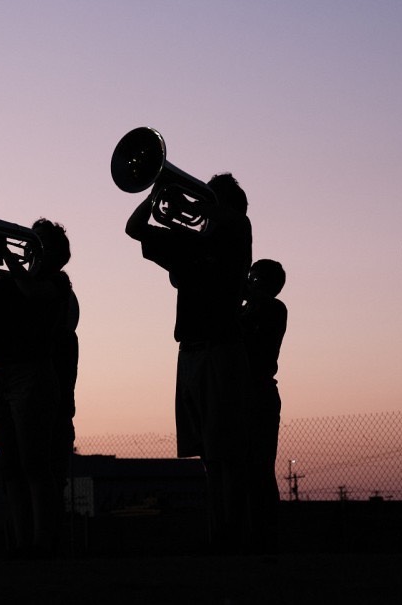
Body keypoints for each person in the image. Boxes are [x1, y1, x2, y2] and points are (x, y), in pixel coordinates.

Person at [126, 173, 253, 552]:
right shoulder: (188, 241)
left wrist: (198, 205)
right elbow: (135, 229)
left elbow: (234, 219)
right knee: (209, 454)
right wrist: (155, 192)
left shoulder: (235, 234)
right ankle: (221, 534)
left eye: (213, 199)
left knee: (226, 452)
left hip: (221, 348)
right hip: (190, 352)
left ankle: (235, 535)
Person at [0, 219, 78, 558]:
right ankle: (23, 544)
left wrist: (6, 256)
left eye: (39, 242)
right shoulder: (9, 280)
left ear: (53, 252)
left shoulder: (57, 282)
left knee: (35, 466)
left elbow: (32, 292)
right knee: (11, 468)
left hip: (33, 374)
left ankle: (43, 543)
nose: (31, 246)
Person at [239, 258, 287, 552]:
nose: (250, 282)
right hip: (244, 390)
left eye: (255, 278)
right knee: (245, 469)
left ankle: (266, 537)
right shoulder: (247, 309)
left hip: (260, 391)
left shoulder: (274, 308)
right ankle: (252, 535)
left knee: (260, 469)